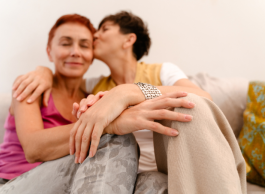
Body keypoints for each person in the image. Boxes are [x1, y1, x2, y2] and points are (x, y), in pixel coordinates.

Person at [10, 11, 246, 194]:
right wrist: (42, 72)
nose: (77, 51)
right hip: (24, 179)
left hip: (159, 162)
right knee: (116, 138)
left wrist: (129, 92)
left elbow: (201, 97)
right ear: (49, 51)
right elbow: (34, 147)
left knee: (159, 179)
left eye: (85, 44)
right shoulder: (65, 87)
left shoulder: (155, 72)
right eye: (65, 44)